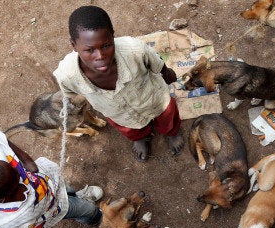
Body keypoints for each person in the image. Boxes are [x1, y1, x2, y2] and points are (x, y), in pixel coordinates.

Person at [53, 5, 183, 162]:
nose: (100, 56)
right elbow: (71, 94)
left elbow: (158, 64)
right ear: (74, 45)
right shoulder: (66, 75)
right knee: (130, 129)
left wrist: (167, 74)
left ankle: (171, 132)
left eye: (106, 45)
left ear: (113, 37)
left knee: (167, 117)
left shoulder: (135, 50)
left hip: (154, 99)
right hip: (119, 114)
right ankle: (140, 138)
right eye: (89, 50)